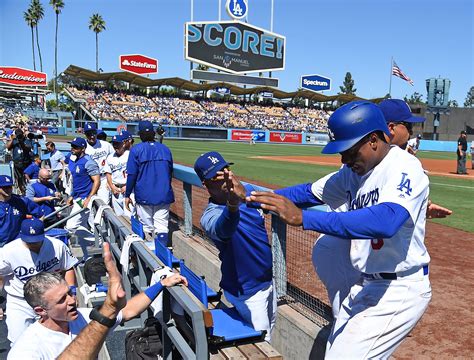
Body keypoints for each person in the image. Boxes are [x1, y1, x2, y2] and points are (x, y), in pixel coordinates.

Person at [248, 101, 432, 358]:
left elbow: (385, 221)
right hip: (367, 284)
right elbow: (307, 192)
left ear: (374, 140)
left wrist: (303, 219)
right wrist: (253, 197)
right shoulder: (352, 173)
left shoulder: (404, 167)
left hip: (400, 288)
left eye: (350, 150)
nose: (344, 159)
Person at [40, 242, 186, 360]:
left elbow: (129, 310)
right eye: (61, 300)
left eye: (69, 294)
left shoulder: (83, 316)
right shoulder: (31, 349)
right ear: (41, 311)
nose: (71, 301)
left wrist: (161, 284)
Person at [194, 151, 276, 342]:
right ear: (205, 184)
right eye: (216, 175)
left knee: (270, 328)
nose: (225, 177)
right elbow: (224, 229)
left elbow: (275, 199)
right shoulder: (210, 216)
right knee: (263, 344)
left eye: (226, 169)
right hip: (247, 292)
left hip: (267, 282)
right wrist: (232, 206)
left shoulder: (246, 190)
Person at [0, 218, 78, 345]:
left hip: (52, 302)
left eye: (37, 240)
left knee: (59, 340)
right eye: (29, 241)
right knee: (19, 343)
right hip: (20, 302)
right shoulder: (8, 251)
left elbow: (68, 266)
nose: (33, 243)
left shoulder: (56, 246)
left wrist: (72, 291)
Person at [125, 121, 174, 246]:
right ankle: (162, 257)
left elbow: (131, 175)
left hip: (144, 194)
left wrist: (127, 195)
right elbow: (170, 172)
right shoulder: (165, 149)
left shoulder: (136, 150)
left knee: (146, 227)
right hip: (164, 193)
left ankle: (149, 260)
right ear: (153, 133)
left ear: (140, 135)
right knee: (162, 226)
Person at [65, 137, 100, 259]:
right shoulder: (74, 160)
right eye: (72, 146)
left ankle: (96, 239)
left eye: (75, 147)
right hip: (77, 197)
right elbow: (75, 180)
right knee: (82, 229)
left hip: (85, 199)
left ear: (83, 148)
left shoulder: (88, 161)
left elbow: (96, 181)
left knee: (71, 226)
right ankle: (87, 257)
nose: (72, 149)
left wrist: (89, 198)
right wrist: (71, 195)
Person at [0, 175, 43, 247]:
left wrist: (33, 229)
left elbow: (40, 214)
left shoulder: (21, 201)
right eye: (4, 187)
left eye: (9, 187)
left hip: (17, 243)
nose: (8, 189)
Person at [83, 122, 114, 203]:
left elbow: (114, 160)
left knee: (103, 203)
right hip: (88, 179)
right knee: (88, 203)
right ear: (85, 134)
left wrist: (110, 180)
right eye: (89, 134)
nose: (92, 136)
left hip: (103, 178)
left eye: (94, 133)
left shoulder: (106, 145)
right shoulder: (82, 146)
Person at [104, 134, 130, 216]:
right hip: (115, 190)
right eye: (114, 144)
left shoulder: (130, 155)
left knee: (129, 215)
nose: (115, 146)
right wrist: (112, 187)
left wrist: (128, 186)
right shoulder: (110, 157)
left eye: (117, 144)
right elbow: (108, 174)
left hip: (128, 189)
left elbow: (135, 173)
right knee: (119, 216)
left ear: (123, 144)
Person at [6, 128, 33, 194]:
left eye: (20, 134)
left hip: (26, 163)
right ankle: (22, 192)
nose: (19, 136)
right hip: (17, 163)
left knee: (26, 179)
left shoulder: (27, 140)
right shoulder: (14, 141)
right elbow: (8, 147)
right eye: (18, 135)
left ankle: (28, 192)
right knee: (19, 179)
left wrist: (21, 142)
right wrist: (12, 139)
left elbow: (27, 148)